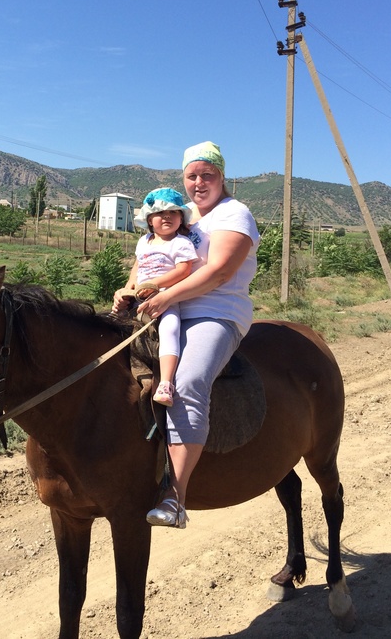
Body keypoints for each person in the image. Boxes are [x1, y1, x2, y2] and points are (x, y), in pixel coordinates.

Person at [112, 141, 260, 529]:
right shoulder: (180, 215)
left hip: (216, 312)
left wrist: (166, 297)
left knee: (189, 381)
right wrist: (128, 289)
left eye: (207, 174)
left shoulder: (234, 214)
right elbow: (147, 258)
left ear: (222, 177)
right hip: (163, 307)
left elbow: (220, 271)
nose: (199, 182)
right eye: (192, 175)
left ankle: (175, 497)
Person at [113, 187, 198, 406]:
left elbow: (183, 270)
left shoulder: (181, 243)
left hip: (165, 298)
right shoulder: (144, 241)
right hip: (138, 296)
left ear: (181, 218)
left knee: (170, 328)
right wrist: (127, 288)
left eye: (173, 212)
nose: (167, 217)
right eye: (160, 213)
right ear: (150, 220)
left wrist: (154, 285)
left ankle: (166, 383)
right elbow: (137, 267)